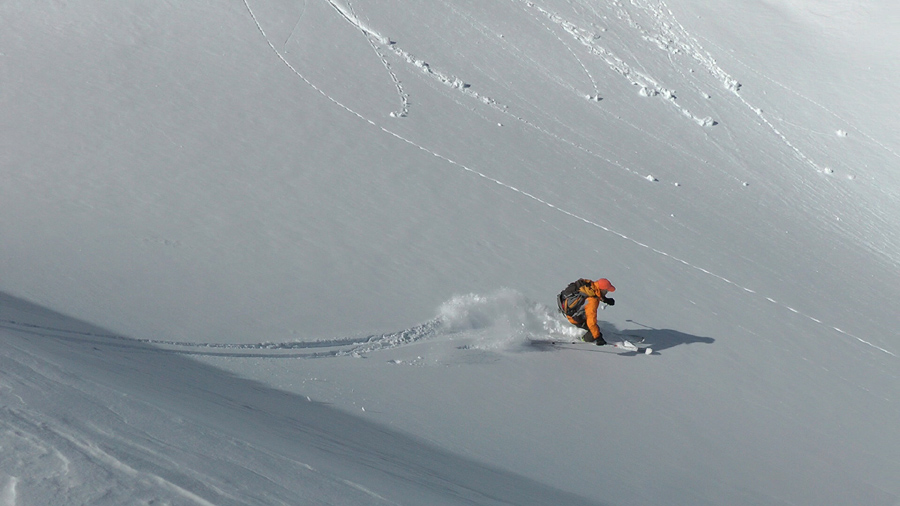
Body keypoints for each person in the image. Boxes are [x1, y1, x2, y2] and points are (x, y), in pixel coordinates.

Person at [557, 278, 616, 345]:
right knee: (594, 332)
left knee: (594, 329)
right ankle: (583, 340)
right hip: (574, 318)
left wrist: (606, 300)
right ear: (602, 290)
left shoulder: (590, 285)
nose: (606, 293)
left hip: (568, 308)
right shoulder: (592, 301)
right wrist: (598, 337)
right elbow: (591, 321)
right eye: (606, 291)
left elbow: (594, 294)